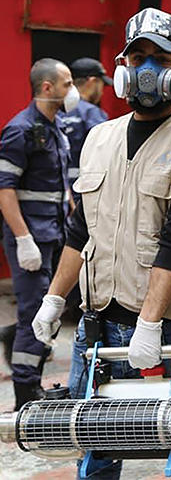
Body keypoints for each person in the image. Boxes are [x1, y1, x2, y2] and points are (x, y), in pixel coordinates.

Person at [31, 7, 171, 480]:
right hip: (99, 326)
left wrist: (149, 325)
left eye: (158, 58)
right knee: (96, 450)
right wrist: (53, 300)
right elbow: (81, 230)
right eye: (136, 56)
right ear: (123, 68)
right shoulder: (99, 137)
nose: (145, 68)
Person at [0, 58, 75, 410]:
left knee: (45, 312)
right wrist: (23, 239)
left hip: (55, 234)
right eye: (67, 84)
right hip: (32, 239)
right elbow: (5, 190)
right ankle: (25, 396)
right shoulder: (20, 129)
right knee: (34, 313)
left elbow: (56, 184)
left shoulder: (55, 127)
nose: (70, 91)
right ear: (48, 88)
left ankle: (14, 342)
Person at [59, 58, 111, 200]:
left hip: (56, 192)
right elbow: (106, 154)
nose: (101, 92)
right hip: (83, 192)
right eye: (101, 85)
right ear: (92, 81)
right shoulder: (92, 113)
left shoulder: (55, 110)